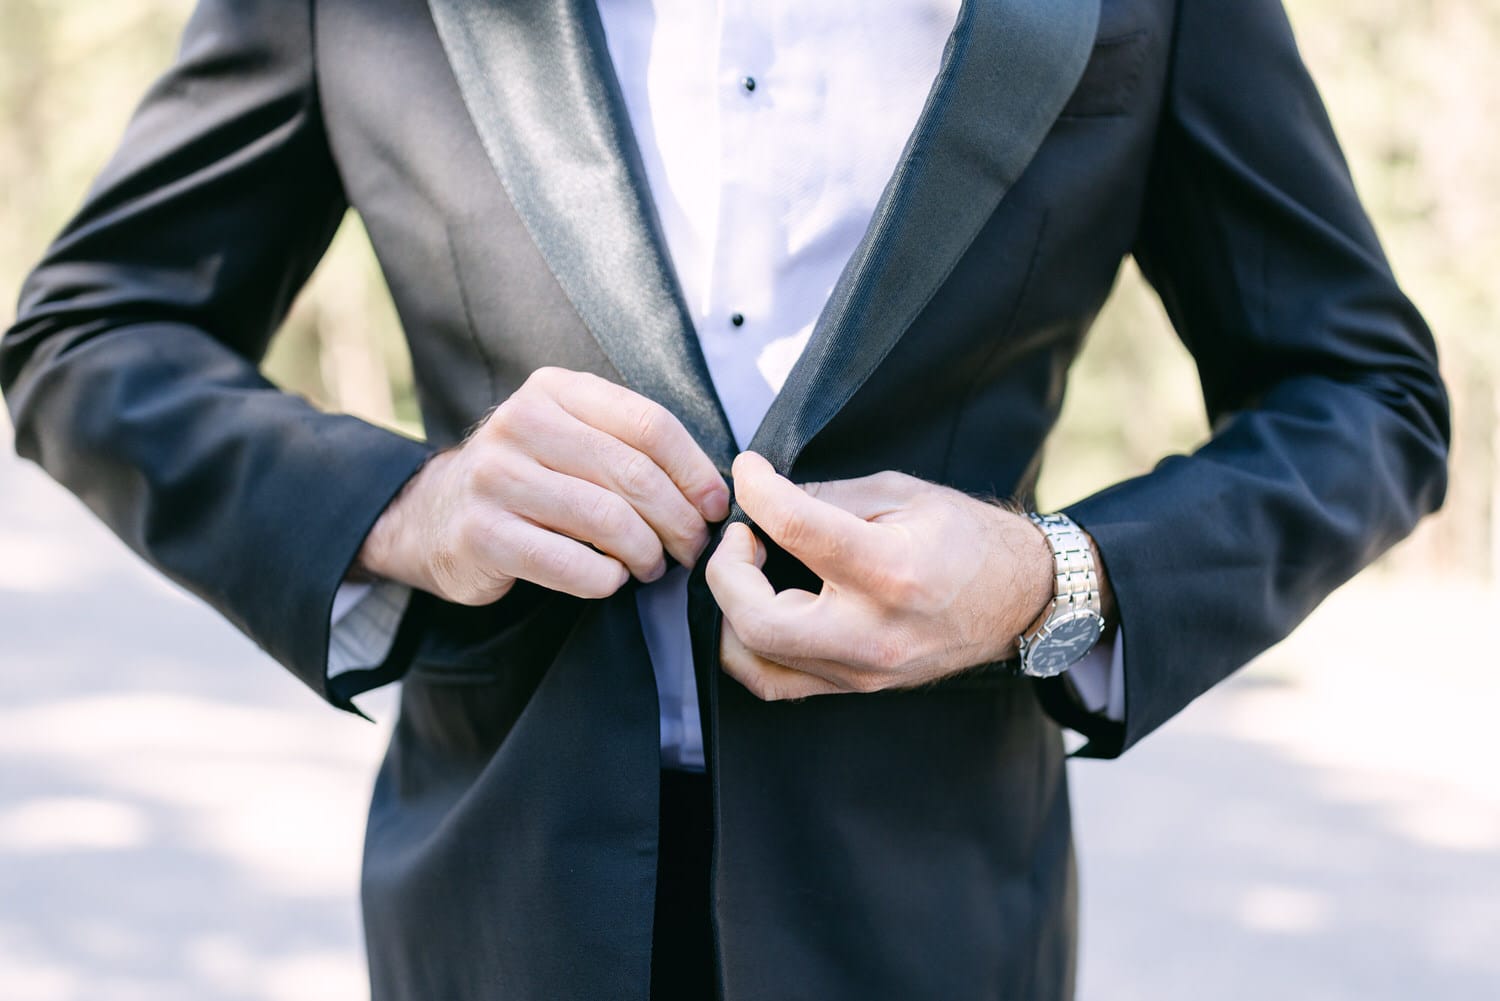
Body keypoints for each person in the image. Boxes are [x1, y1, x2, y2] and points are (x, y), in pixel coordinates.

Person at [1, 0, 1449, 998]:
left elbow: (1363, 392)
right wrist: (404, 511)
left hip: (932, 923)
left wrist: (1049, 576)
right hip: (499, 918)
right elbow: (92, 330)